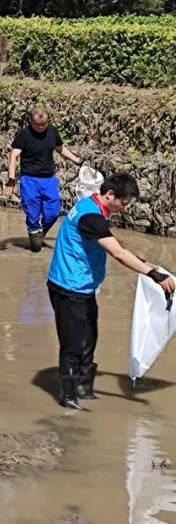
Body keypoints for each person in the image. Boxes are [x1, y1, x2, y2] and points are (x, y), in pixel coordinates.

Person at [46, 173, 175, 409]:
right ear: (110, 194)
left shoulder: (93, 206)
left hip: (83, 288)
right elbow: (118, 253)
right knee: (73, 344)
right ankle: (68, 399)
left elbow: (117, 246)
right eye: (123, 203)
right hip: (68, 288)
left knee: (89, 340)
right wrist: (153, 274)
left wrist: (150, 266)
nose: (124, 209)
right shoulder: (90, 217)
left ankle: (84, 389)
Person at [4, 108, 83, 252]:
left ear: (48, 121)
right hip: (30, 180)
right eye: (37, 124)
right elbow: (13, 155)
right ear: (31, 121)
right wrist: (11, 178)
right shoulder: (24, 135)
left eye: (44, 124)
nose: (41, 127)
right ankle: (34, 233)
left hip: (49, 179)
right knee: (33, 218)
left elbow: (60, 148)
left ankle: (40, 232)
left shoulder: (52, 131)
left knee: (53, 213)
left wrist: (77, 160)